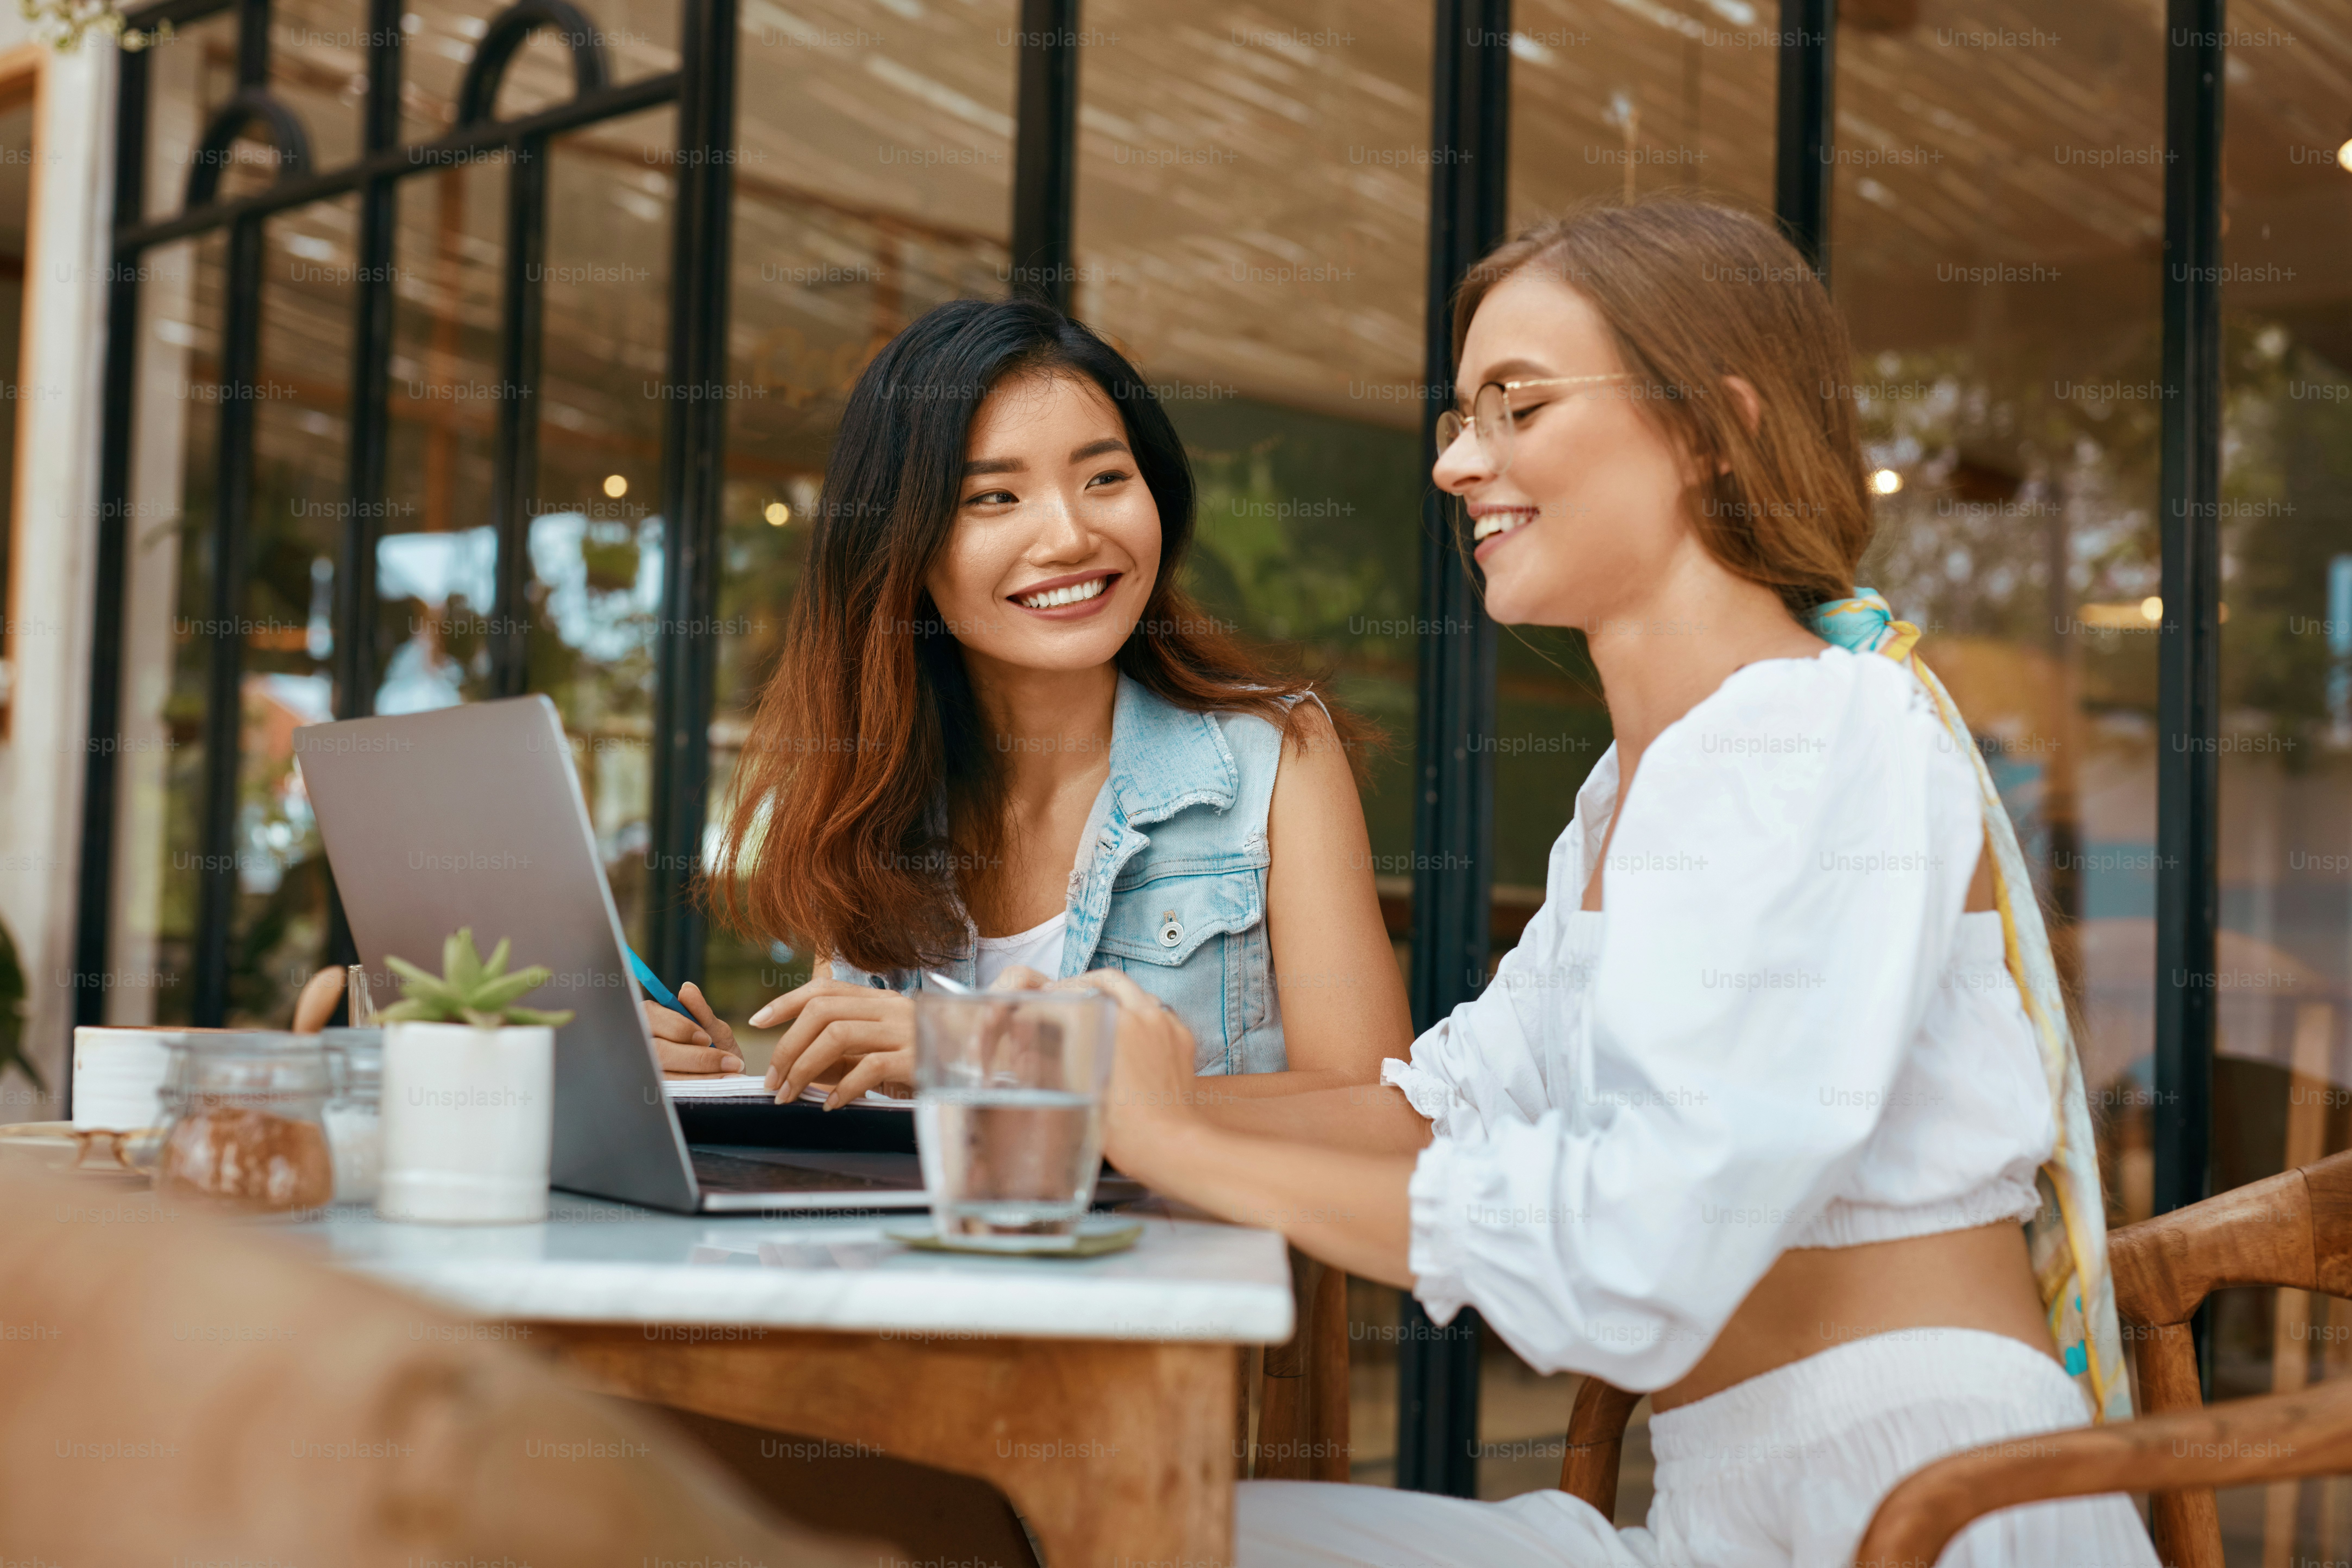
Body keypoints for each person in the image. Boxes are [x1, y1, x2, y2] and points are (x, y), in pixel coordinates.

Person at [1076, 197, 2160, 1566]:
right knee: (1128, 1534)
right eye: (1459, 419)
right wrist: (1043, 1086)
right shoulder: (1624, 796)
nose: (1458, 463)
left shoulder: (1819, 740)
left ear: (1712, 429)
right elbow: (1436, 1108)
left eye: (1514, 407)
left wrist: (1176, 1141)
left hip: (1917, 1504)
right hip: (1715, 1513)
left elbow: (1645, 1247)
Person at [643, 297, 1410, 1107]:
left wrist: (997, 1053)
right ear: (902, 548)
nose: (1071, 536)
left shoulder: (1272, 757)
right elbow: (891, 1123)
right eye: (995, 498)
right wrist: (729, 1086)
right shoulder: (873, 797)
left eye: (1105, 478)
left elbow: (1379, 1113)